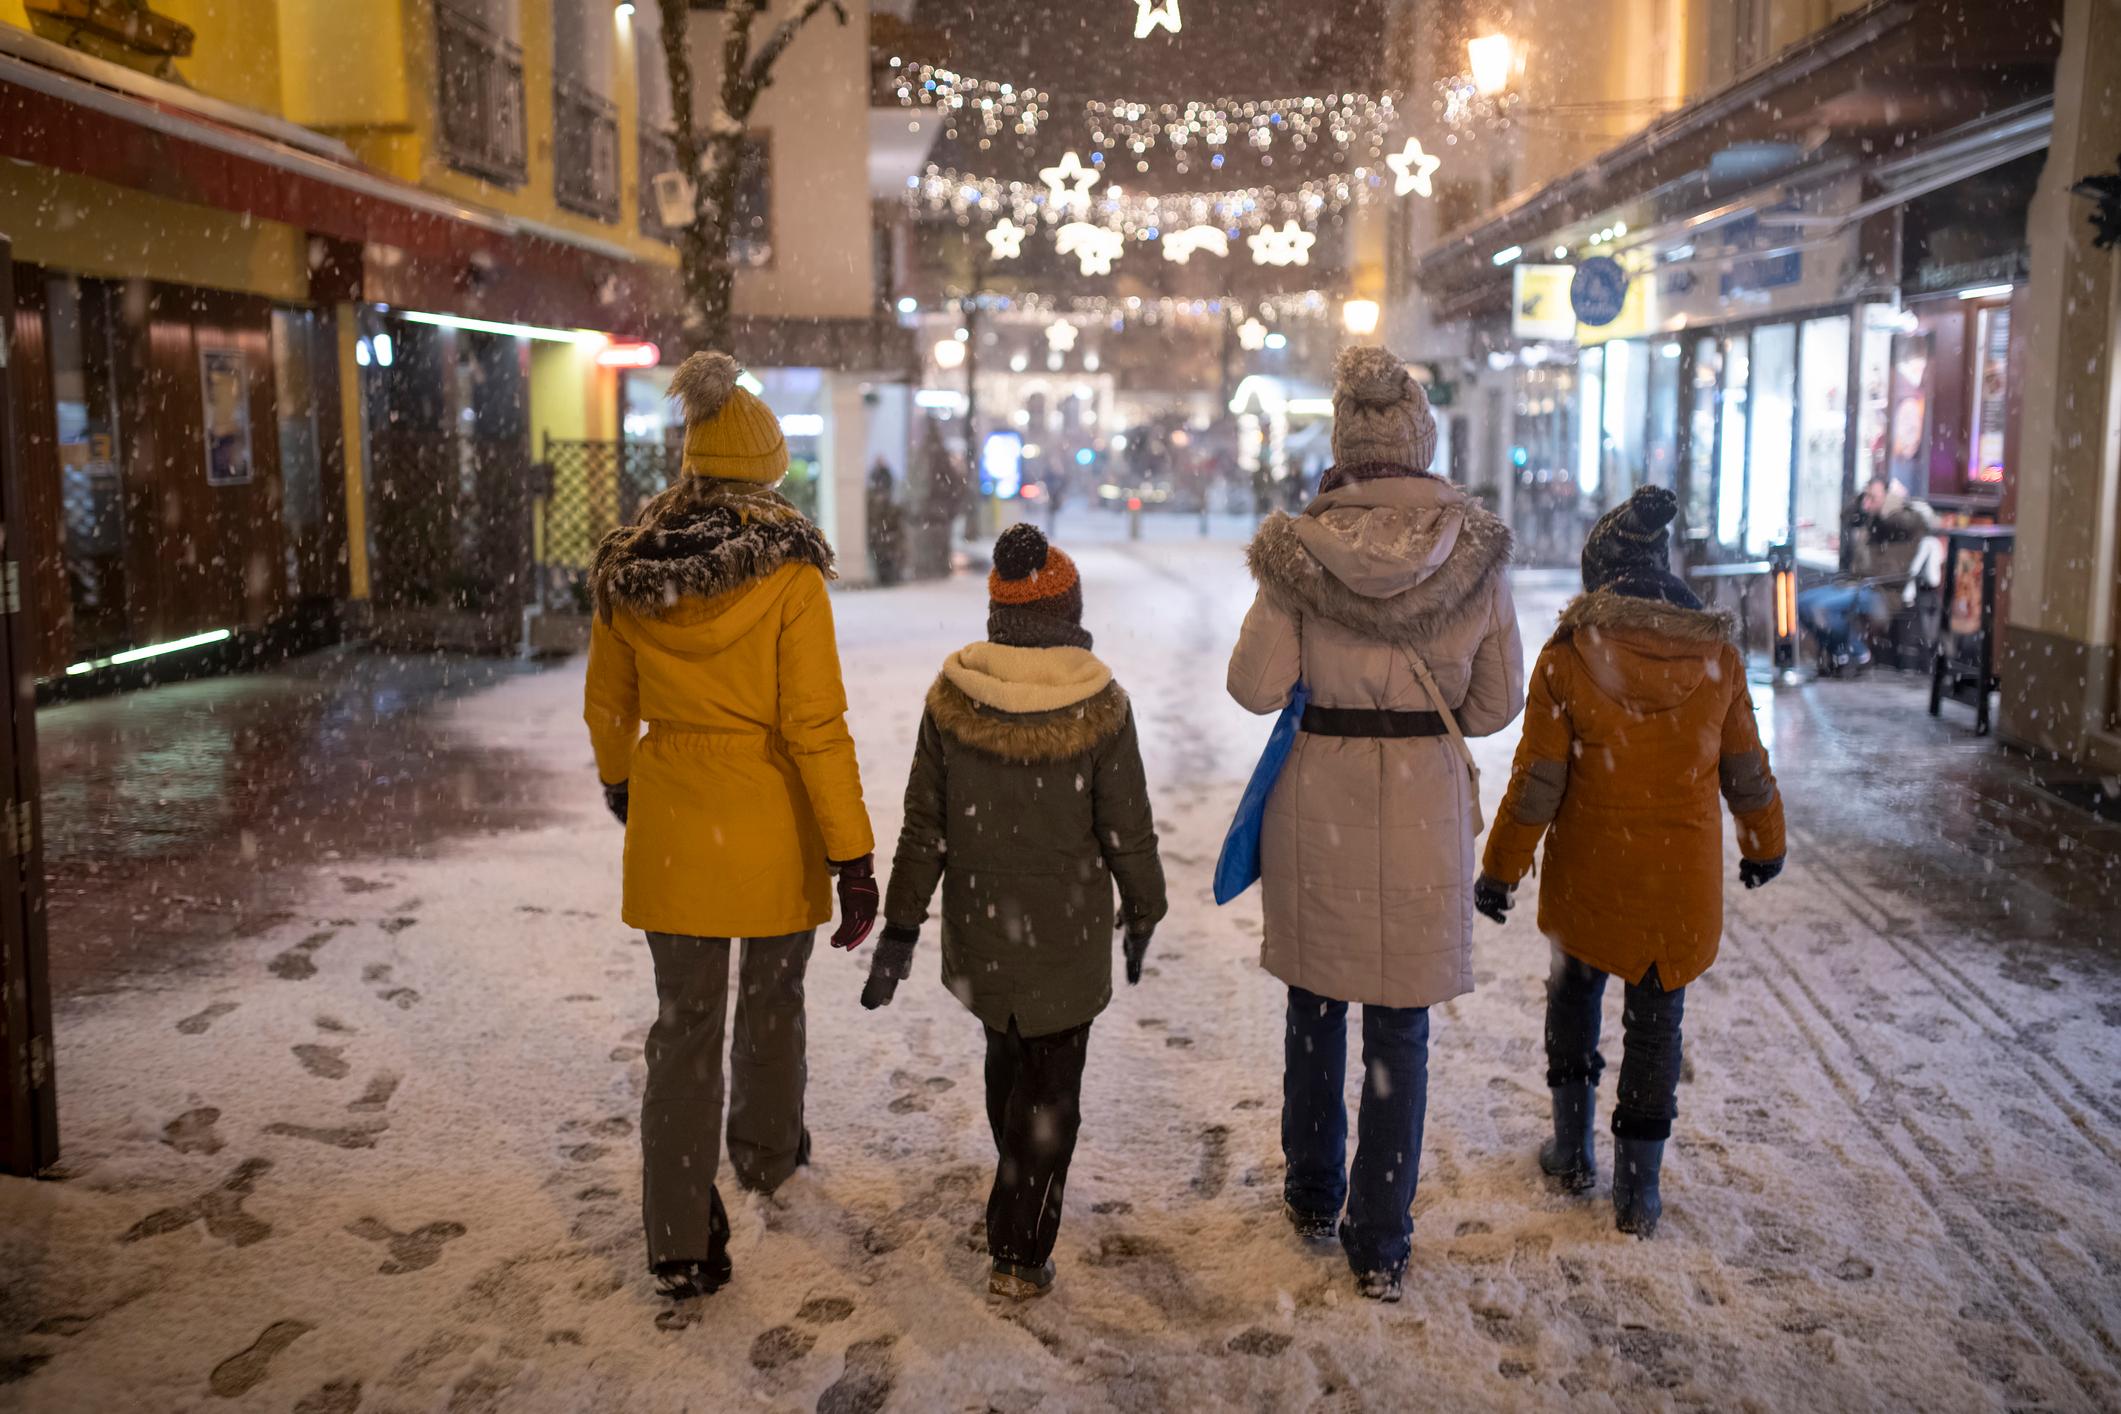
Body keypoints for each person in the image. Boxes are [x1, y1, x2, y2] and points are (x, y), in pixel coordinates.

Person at [1226, 347, 1524, 1302]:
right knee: (1399, 1028)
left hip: (1318, 802)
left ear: (1343, 444)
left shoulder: (1299, 552)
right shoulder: (1473, 552)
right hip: (1424, 807)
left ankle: (1313, 1193)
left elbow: (1253, 686)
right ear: (1421, 441)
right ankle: (1381, 1238)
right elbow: (1495, 704)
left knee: (1316, 1006)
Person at [583, 351, 878, 1302]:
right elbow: (815, 726)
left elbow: (607, 705)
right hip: (772, 822)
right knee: (773, 996)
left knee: (683, 1024)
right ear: (769, 472)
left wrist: (624, 782)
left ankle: (676, 1231)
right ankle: (765, 1150)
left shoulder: (631, 570)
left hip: (675, 822)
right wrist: (852, 852)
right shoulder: (791, 577)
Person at [861, 524, 1166, 1301]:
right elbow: (1125, 827)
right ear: (1069, 614)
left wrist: (901, 926)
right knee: (1051, 1088)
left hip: (984, 933)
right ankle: (1020, 1250)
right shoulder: (1101, 704)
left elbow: (924, 828)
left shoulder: (953, 698)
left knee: (1007, 1057)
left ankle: (1015, 1189)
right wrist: (1143, 905)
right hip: (1066, 936)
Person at [1474, 485, 1787, 1238]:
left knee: (1573, 998)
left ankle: (1572, 1152)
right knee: (1655, 1027)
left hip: (1590, 876)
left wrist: (1501, 869)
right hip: (1674, 890)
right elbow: (1746, 769)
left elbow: (1537, 784)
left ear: (1600, 576)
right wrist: (1763, 843)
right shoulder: (1716, 659)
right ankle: (1638, 1194)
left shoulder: (1568, 658)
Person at [1796, 474, 1939, 669]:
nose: (1868, 503)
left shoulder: (1908, 518)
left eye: (1874, 497)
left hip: (1884, 592)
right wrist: (1862, 499)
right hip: (1857, 583)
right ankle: (1842, 654)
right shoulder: (1872, 518)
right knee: (1802, 603)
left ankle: (1859, 653)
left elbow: (1895, 523)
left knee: (1820, 608)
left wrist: (1889, 502)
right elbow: (1846, 516)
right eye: (1867, 496)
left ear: (1889, 497)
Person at [865, 458, 905, 587]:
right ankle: (885, 578)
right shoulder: (876, 505)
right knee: (882, 559)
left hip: (884, 539)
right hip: (880, 539)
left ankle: (888, 578)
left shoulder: (888, 507)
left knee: (885, 559)